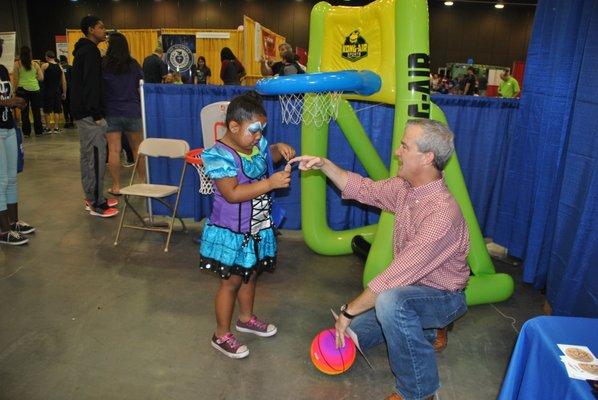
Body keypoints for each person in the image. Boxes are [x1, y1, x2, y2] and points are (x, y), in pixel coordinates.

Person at [290, 119, 470, 400]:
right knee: (353, 336)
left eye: (404, 146)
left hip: (442, 296)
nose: (397, 152)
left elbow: (392, 279)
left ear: (427, 158)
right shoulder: (405, 188)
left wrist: (348, 311)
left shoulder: (441, 215)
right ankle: (428, 331)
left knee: (390, 304)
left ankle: (419, 392)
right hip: (410, 288)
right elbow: (363, 189)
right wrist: (324, 164)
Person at [199, 91, 296, 359]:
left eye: (261, 131)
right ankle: (221, 334)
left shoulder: (256, 144)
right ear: (233, 126)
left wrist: (278, 148)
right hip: (232, 233)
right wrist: (269, 183)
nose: (258, 136)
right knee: (230, 282)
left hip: (256, 228)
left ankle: (245, 318)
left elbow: (268, 157)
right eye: (254, 131)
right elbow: (231, 193)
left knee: (250, 274)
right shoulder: (220, 155)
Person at [71, 15, 119, 218]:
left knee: (87, 156)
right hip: (90, 115)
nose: (104, 30)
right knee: (97, 158)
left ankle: (91, 197)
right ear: (91, 30)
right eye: (101, 27)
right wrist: (97, 114)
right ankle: (97, 204)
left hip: (83, 113)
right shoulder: (89, 53)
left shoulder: (83, 51)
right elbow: (90, 85)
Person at [102, 31, 145, 196]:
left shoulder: (104, 65)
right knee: (138, 149)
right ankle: (142, 183)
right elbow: (141, 86)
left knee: (114, 150)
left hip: (111, 111)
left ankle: (116, 186)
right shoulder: (133, 64)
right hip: (132, 110)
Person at [0, 37, 34, 245]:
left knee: (12, 177)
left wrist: (15, 103)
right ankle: (3, 231)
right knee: (1, 179)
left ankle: (13, 222)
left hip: (8, 127)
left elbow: (7, 96)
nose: (1, 46)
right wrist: (7, 101)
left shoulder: (3, 70)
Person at [13, 46, 44, 137]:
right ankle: (39, 131)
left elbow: (15, 79)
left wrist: (15, 90)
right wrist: (34, 78)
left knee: (24, 112)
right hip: (35, 89)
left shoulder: (17, 64)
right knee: (36, 111)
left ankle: (26, 133)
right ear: (30, 54)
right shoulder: (35, 64)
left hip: (22, 90)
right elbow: (41, 78)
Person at [41, 51, 66, 133]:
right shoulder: (60, 67)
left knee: (47, 110)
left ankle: (48, 128)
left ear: (47, 57)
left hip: (47, 90)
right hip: (57, 91)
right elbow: (63, 81)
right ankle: (56, 127)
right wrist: (64, 92)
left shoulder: (44, 65)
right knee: (57, 109)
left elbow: (40, 78)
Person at [58, 55, 74, 128]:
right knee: (71, 105)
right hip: (71, 90)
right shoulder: (71, 67)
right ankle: (72, 122)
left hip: (62, 89)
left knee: (65, 106)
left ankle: (66, 122)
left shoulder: (59, 68)